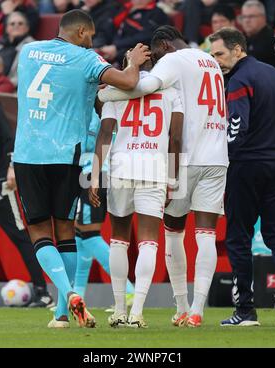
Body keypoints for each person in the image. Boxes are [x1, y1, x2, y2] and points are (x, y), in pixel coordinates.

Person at [13, 9, 150, 328]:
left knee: (38, 231)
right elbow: (129, 82)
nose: (91, 42)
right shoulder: (87, 59)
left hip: (28, 153)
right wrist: (133, 61)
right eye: (89, 36)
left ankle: (68, 297)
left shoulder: (28, 50)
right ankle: (62, 310)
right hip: (66, 156)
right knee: (65, 230)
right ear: (79, 33)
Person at [98, 25, 228, 328]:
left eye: (156, 53)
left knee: (170, 233)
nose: (155, 59)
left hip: (181, 158)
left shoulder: (170, 62)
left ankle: (177, 305)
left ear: (164, 46)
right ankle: (195, 310)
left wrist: (107, 91)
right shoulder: (209, 60)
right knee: (205, 233)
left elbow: (140, 88)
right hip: (217, 155)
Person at [90, 57, 183, 328]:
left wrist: (95, 175)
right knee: (148, 241)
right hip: (154, 168)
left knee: (118, 238)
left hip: (120, 166)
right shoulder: (171, 92)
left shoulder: (113, 95)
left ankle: (119, 309)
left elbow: (105, 134)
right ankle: (138, 311)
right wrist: (173, 180)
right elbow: (175, 138)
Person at [210, 27, 275, 326]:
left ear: (238, 49)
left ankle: (245, 311)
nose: (215, 60)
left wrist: (224, 158)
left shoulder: (239, 79)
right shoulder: (274, 75)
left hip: (247, 166)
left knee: (238, 238)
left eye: (219, 54)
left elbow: (236, 129)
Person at [51, 110, 135, 327]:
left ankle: (128, 291)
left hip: (91, 175)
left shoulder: (93, 115)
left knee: (88, 234)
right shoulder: (106, 112)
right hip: (100, 173)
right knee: (78, 236)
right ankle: (77, 296)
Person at [0, 94, 53, 308]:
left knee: (20, 234)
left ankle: (43, 292)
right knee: (20, 234)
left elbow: (6, 134)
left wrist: (11, 166)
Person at [100, 0, 169, 65]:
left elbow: (146, 37)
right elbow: (110, 29)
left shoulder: (157, 13)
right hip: (114, 48)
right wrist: (103, 45)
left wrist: (116, 47)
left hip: (137, 53)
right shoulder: (124, 8)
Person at [0, 12, 35, 87]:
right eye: (12, 24)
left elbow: (27, 75)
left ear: (27, 28)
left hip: (13, 88)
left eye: (20, 23)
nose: (16, 26)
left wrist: (7, 85)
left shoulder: (32, 47)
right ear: (7, 28)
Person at [240, 0, 275, 71]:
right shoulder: (240, 39)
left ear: (263, 17)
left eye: (251, 16)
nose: (247, 20)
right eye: (244, 17)